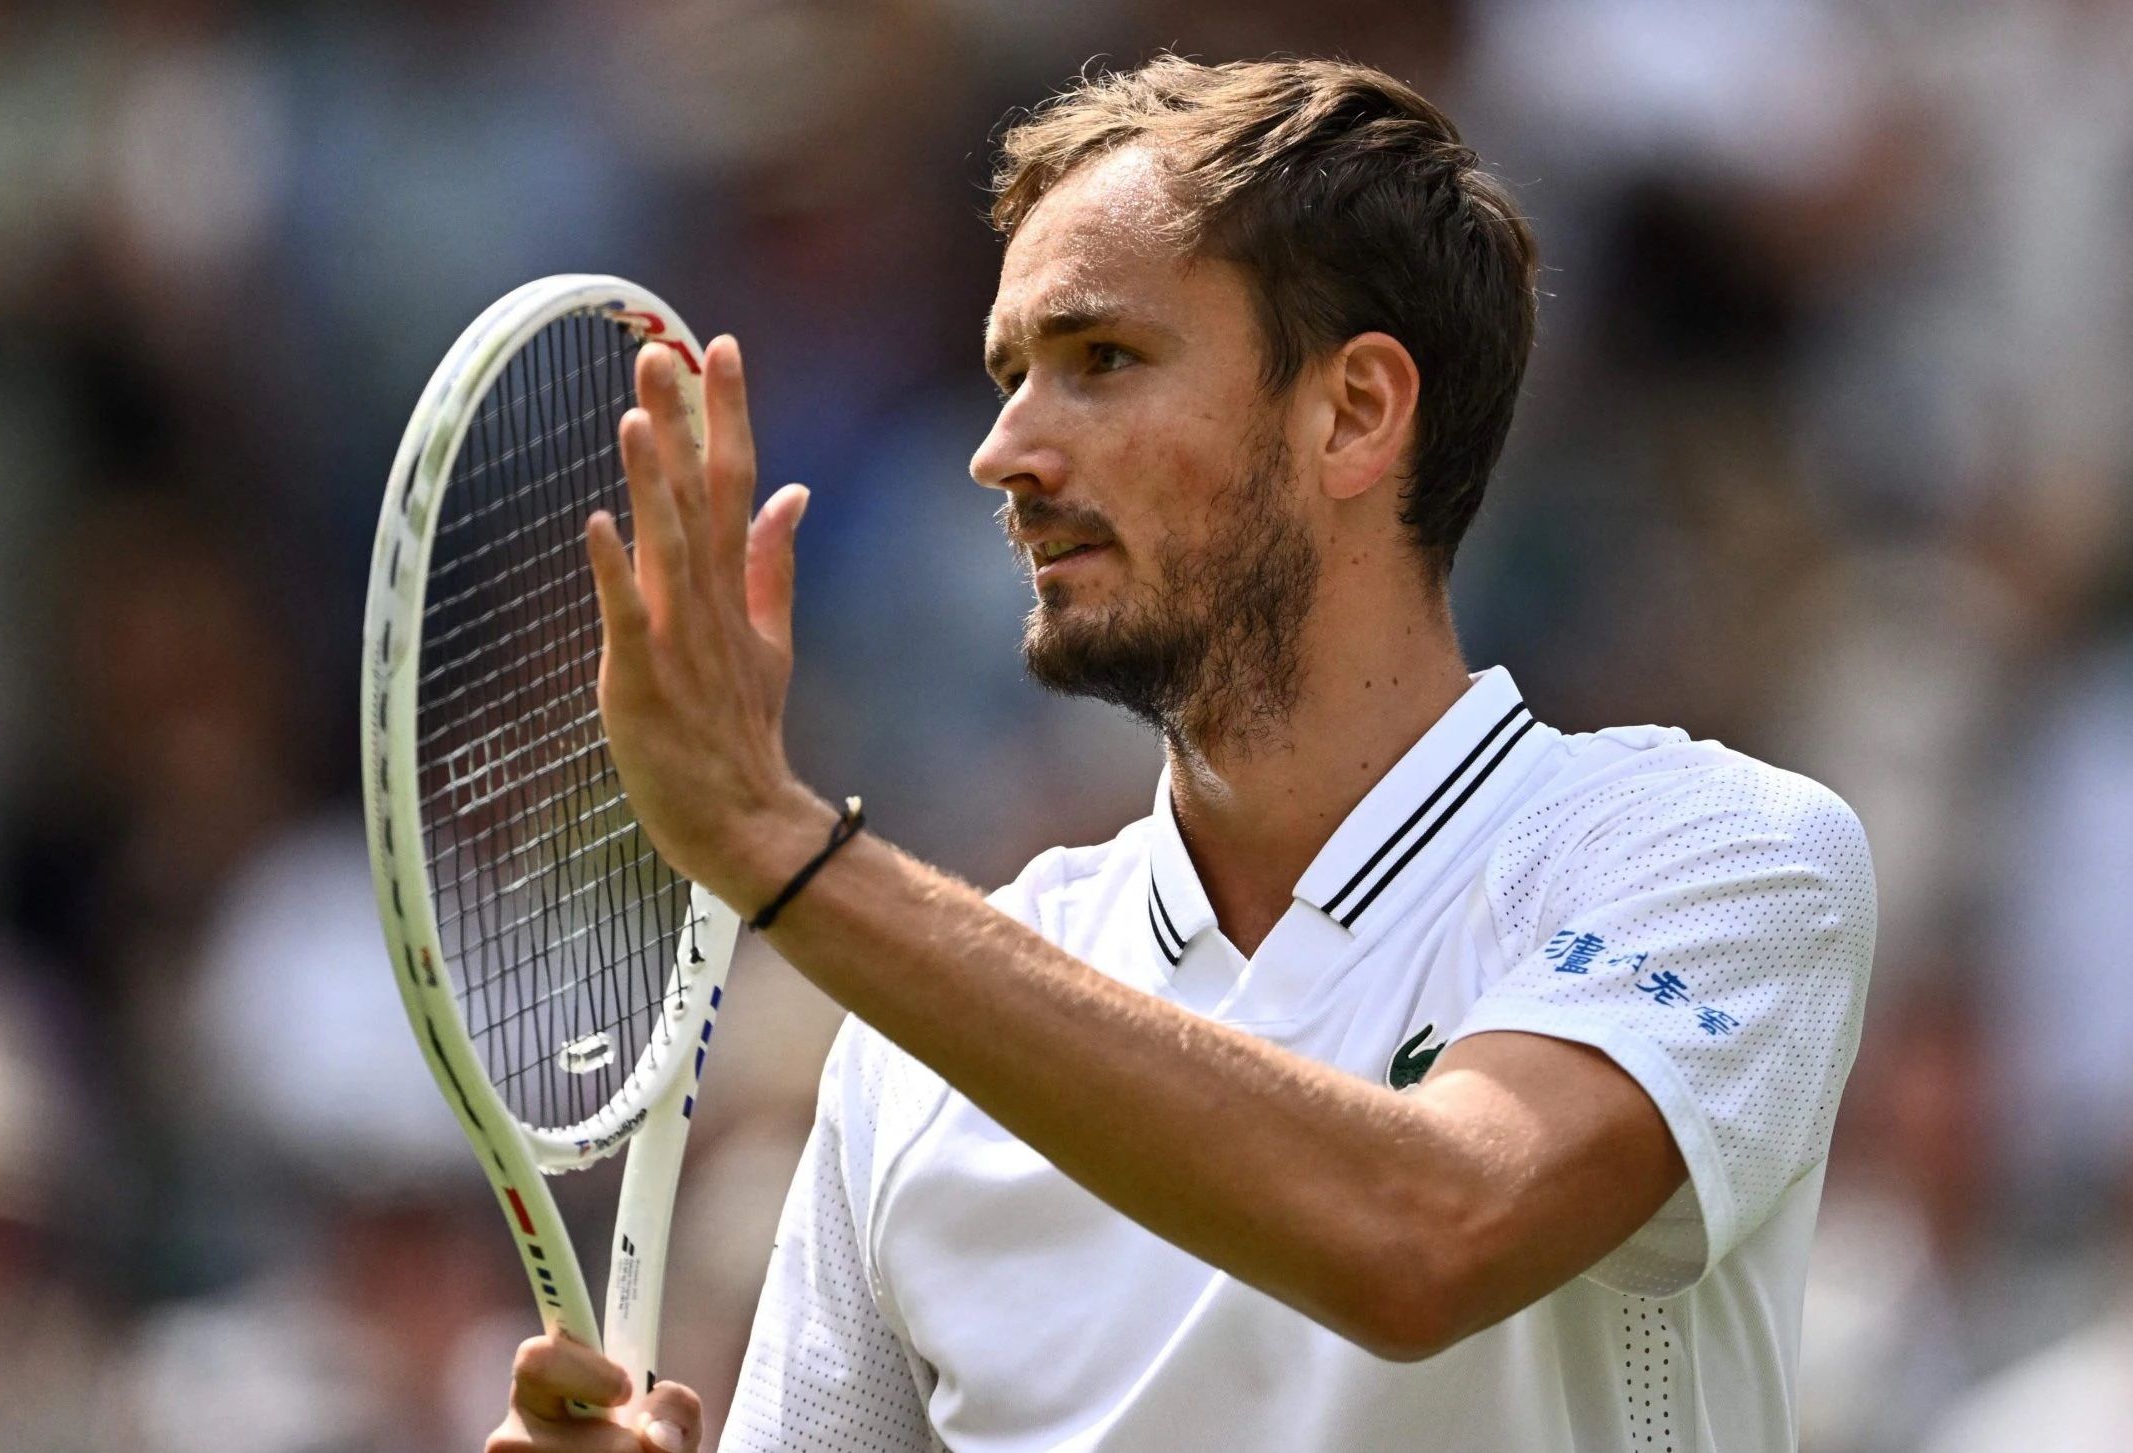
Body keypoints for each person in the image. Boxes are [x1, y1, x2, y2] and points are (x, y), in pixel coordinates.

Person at [489, 55, 1876, 1453]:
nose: (1005, 451)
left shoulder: (1716, 849)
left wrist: (780, 846)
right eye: (1007, 376)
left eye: (1102, 360)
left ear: (1354, 412)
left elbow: (1430, 1230)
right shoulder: (909, 1063)